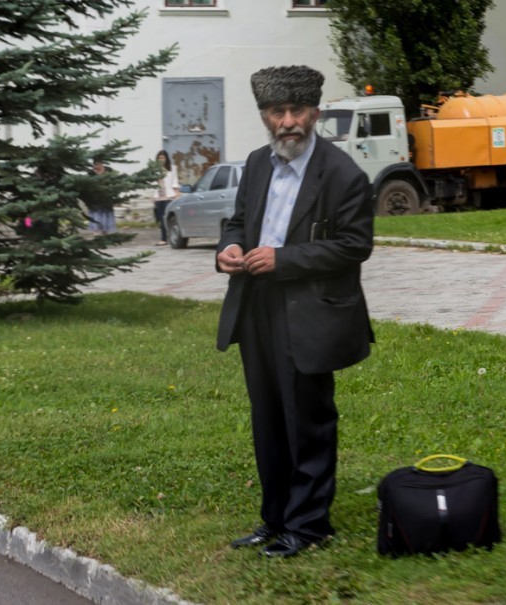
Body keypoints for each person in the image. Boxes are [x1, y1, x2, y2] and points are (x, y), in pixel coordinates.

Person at [215, 65, 375, 558]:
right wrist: (230, 246)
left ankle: (308, 526)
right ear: (265, 115)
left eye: (298, 111)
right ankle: (275, 518)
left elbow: (355, 245)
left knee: (306, 419)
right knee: (267, 418)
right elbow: (238, 220)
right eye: (277, 112)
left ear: (315, 113)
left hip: (311, 313)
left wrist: (284, 259)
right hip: (256, 304)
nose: (288, 121)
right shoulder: (259, 162)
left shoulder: (343, 173)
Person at [153, 149, 179, 245]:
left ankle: (166, 237)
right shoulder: (155, 170)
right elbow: (152, 184)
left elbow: (175, 181)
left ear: (166, 158)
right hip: (159, 196)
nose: (161, 160)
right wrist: (153, 197)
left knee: (167, 217)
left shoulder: (172, 168)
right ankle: (164, 237)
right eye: (159, 158)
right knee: (160, 218)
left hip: (169, 196)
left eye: (163, 158)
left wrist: (177, 193)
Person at [86, 160, 117, 235]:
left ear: (102, 164)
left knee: (106, 212)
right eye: (95, 165)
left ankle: (105, 230)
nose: (97, 166)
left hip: (106, 196)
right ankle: (96, 231)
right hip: (95, 198)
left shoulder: (109, 170)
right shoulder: (91, 173)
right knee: (96, 213)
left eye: (98, 164)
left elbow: (114, 182)